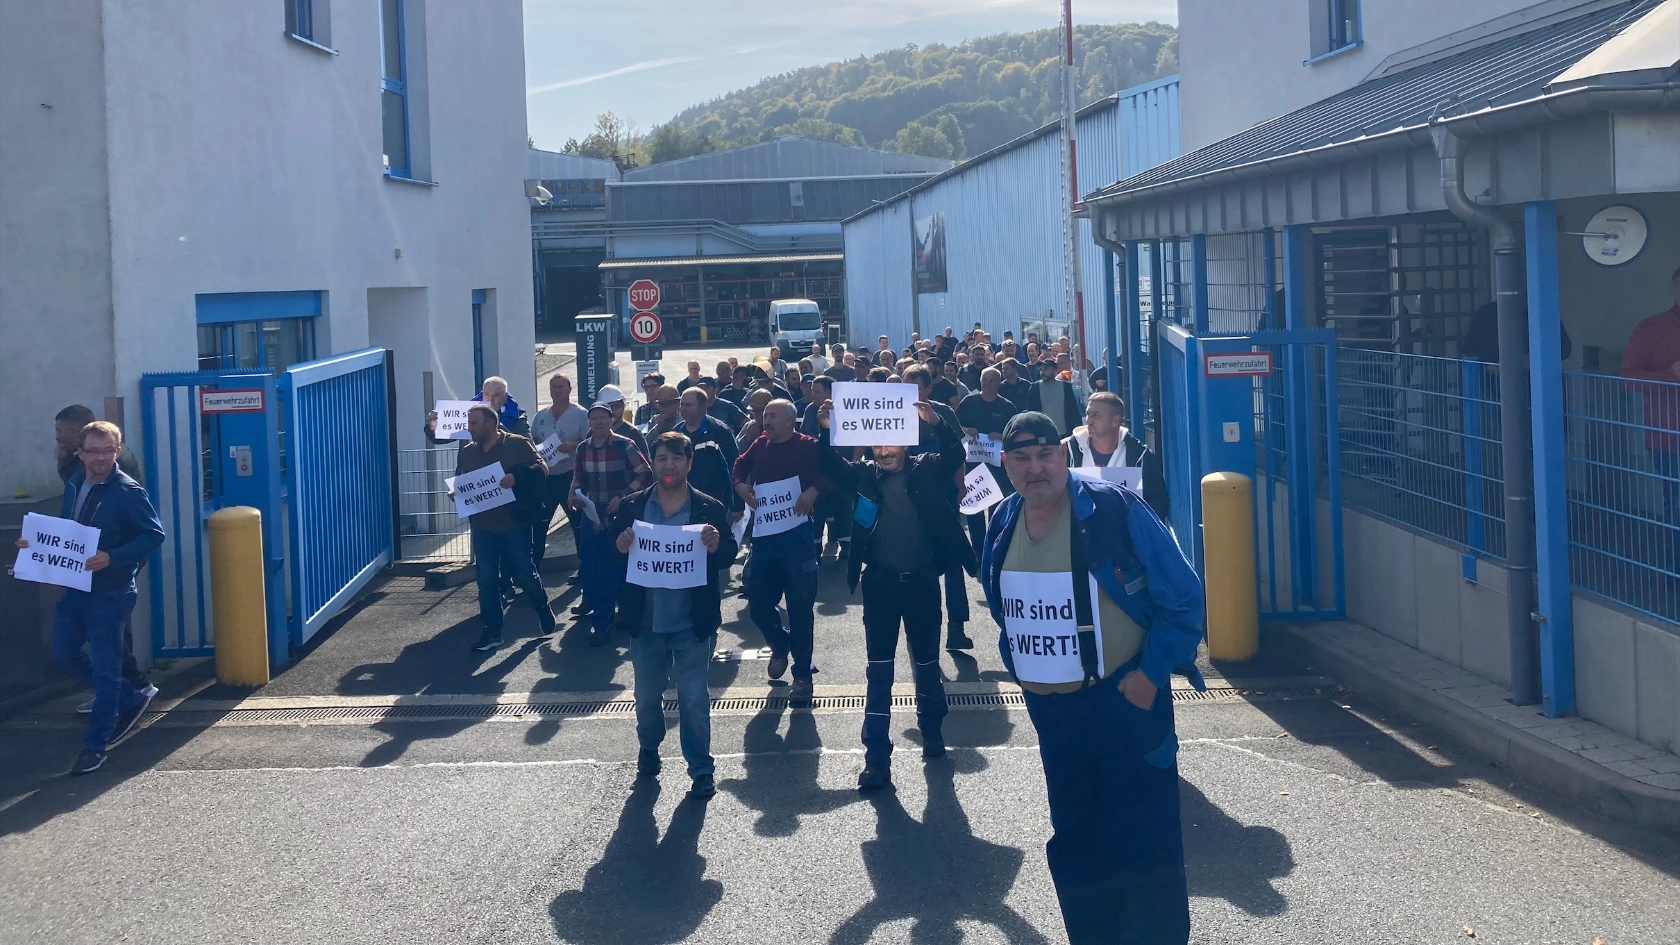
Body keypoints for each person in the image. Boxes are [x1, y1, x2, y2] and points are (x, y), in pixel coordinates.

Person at [983, 411, 1204, 945]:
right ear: (1006, 464)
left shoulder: (1112, 507)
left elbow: (1185, 600)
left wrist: (1151, 674)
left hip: (1125, 702)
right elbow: (1003, 606)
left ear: (1064, 453)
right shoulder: (1003, 520)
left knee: (1145, 842)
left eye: (1045, 456)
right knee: (1079, 842)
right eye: (1021, 459)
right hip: (1055, 715)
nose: (1036, 469)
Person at [16, 421, 164, 775]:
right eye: (93, 451)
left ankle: (95, 746)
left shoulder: (128, 491)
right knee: (63, 655)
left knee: (108, 668)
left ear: (118, 450)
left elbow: (153, 535)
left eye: (108, 451)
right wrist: (36, 546)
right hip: (76, 588)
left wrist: (112, 557)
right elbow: (69, 534)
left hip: (111, 593)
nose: (100, 459)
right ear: (80, 453)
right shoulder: (74, 483)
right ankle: (130, 696)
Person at [609, 432, 729, 799]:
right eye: (662, 458)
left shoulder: (710, 509)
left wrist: (717, 544)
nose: (669, 466)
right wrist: (620, 545)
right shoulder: (632, 507)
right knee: (646, 697)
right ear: (653, 464)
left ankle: (701, 769)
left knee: (694, 699)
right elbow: (614, 556)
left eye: (676, 458)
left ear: (689, 464)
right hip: (646, 623)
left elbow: (727, 556)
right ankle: (649, 747)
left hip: (692, 623)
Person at [733, 399, 833, 701]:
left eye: (772, 416)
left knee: (802, 610)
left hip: (797, 538)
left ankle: (802, 676)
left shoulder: (808, 445)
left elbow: (834, 472)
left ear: (791, 421)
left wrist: (813, 490)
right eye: (764, 416)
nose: (766, 421)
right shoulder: (760, 444)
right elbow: (740, 465)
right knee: (759, 606)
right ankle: (779, 644)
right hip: (764, 539)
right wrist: (739, 485)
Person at [52, 406, 149, 707]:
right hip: (93, 558)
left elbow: (144, 529)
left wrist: (113, 557)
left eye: (63, 436)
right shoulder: (82, 468)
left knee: (111, 630)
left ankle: (132, 690)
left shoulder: (108, 470)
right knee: (99, 632)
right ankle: (119, 690)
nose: (58, 441)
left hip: (111, 559)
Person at [450, 404, 555, 652]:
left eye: (474, 423)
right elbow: (464, 478)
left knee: (524, 574)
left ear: (490, 423)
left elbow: (542, 468)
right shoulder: (468, 452)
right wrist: (456, 493)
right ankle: (492, 631)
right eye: (469, 423)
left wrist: (517, 478)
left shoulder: (517, 444)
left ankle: (540, 606)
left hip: (513, 524)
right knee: (486, 581)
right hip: (482, 527)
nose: (469, 428)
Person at [902, 364, 974, 650]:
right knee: (915, 560)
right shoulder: (894, 411)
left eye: (917, 387)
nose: (912, 394)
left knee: (953, 560)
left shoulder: (943, 412)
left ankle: (957, 625)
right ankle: (918, 625)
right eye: (906, 387)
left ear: (929, 388)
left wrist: (960, 485)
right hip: (909, 497)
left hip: (943, 494)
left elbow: (957, 452)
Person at [571, 400, 652, 644]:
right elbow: (578, 477)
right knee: (592, 566)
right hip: (592, 513)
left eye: (602, 418)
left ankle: (620, 612)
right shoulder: (583, 448)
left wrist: (625, 495)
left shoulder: (625, 445)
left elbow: (645, 474)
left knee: (617, 567)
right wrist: (573, 494)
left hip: (620, 515)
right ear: (589, 422)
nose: (598, 423)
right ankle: (601, 619)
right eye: (593, 418)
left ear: (611, 420)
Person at [1621, 267, 1680, 545]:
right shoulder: (1650, 328)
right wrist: (1671, 376)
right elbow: (1629, 376)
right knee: (1677, 505)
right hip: (1669, 438)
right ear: (1673, 289)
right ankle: (1675, 575)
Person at [1066, 392, 1169, 522]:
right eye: (1088, 414)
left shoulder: (1140, 456)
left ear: (1115, 421)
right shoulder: (1068, 452)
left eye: (1095, 415)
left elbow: (1158, 502)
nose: (1088, 421)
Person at [957, 367, 1020, 556]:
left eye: (992, 380)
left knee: (997, 510)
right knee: (975, 510)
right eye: (985, 379)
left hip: (998, 468)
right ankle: (978, 553)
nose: (988, 383)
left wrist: (1002, 435)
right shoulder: (969, 402)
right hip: (974, 465)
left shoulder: (1007, 407)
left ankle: (995, 550)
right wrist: (966, 429)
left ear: (999, 383)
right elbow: (955, 424)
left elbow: (1015, 434)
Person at [529, 373, 589, 569]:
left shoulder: (581, 414)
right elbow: (532, 442)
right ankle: (532, 570)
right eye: (553, 387)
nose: (557, 390)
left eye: (561, 386)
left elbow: (590, 443)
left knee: (578, 525)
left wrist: (573, 445)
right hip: (546, 479)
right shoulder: (541, 416)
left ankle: (584, 568)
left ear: (570, 389)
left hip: (570, 477)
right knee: (538, 525)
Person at [55, 405, 142, 484]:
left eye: (65, 432)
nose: (58, 437)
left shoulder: (107, 458)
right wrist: (65, 459)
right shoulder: (86, 450)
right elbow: (74, 485)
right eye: (58, 431)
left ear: (82, 431)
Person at [1028, 356, 1082, 439]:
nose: (1042, 372)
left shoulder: (1065, 387)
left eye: (1045, 369)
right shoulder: (1034, 388)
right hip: (1043, 435)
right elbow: (1031, 413)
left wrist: (1079, 428)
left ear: (1054, 370)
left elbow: (1073, 409)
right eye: (1041, 369)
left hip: (1064, 433)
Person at [595, 385, 648, 460]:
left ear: (623, 406)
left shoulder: (634, 434)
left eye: (615, 407)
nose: (611, 411)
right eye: (607, 408)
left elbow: (645, 467)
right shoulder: (594, 432)